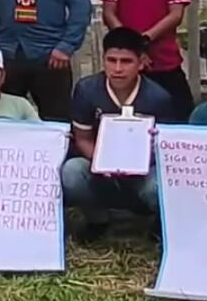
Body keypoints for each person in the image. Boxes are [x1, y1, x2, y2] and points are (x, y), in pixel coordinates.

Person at [59, 29, 175, 240]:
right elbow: (83, 138)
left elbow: (164, 147)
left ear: (141, 62)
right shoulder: (87, 91)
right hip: (99, 168)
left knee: (160, 184)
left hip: (143, 170)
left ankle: (159, 224)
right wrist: (103, 162)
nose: (118, 69)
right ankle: (97, 220)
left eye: (126, 61)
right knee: (72, 171)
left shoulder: (159, 98)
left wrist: (138, 164)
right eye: (111, 60)